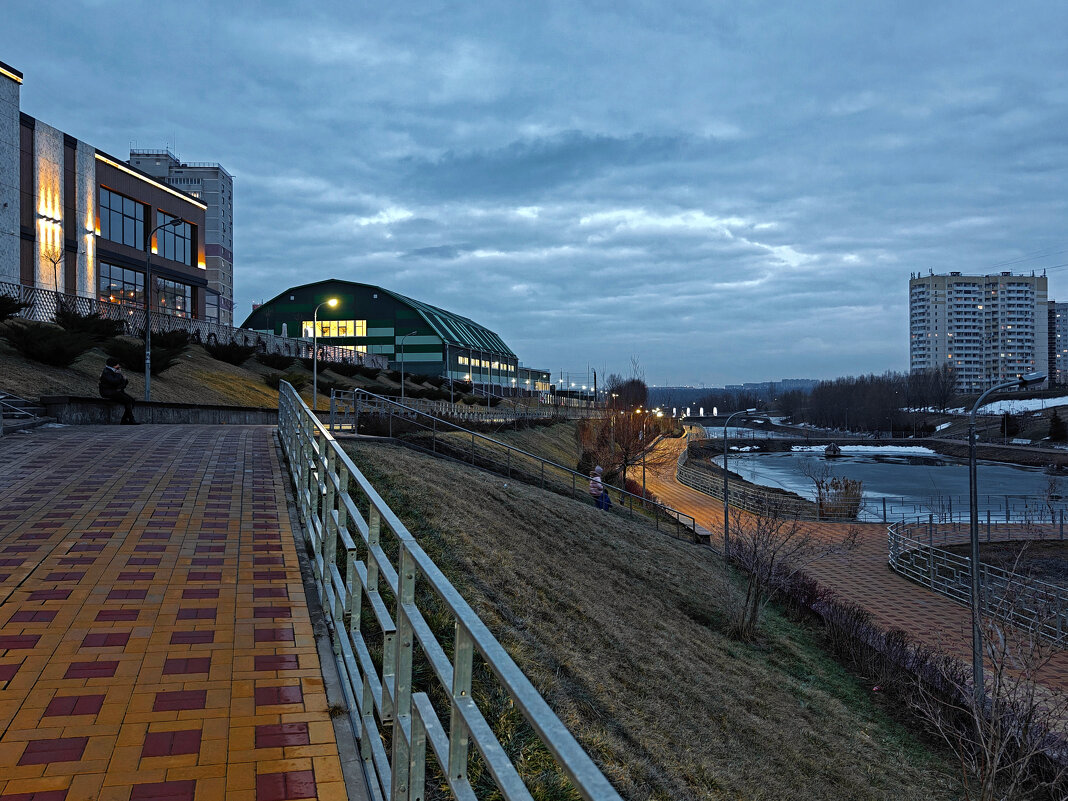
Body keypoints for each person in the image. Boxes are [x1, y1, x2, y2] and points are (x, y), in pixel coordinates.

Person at [98, 357, 138, 425]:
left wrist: (124, 379)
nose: (119, 366)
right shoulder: (107, 372)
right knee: (128, 401)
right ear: (114, 365)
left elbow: (123, 383)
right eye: (117, 364)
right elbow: (114, 382)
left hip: (115, 391)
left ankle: (125, 420)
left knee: (132, 401)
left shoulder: (114, 371)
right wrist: (119, 374)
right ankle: (131, 420)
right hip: (108, 392)